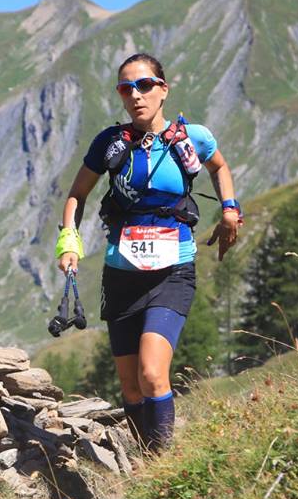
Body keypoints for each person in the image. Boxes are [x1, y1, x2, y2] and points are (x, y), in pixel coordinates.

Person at [54, 53, 241, 451]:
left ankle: (163, 464)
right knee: (130, 386)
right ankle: (145, 461)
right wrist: (69, 240)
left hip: (172, 271)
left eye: (144, 85)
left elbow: (219, 168)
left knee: (152, 374)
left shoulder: (192, 138)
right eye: (126, 88)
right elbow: (77, 194)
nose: (135, 95)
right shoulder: (109, 143)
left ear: (163, 89)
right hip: (121, 273)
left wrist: (230, 210)